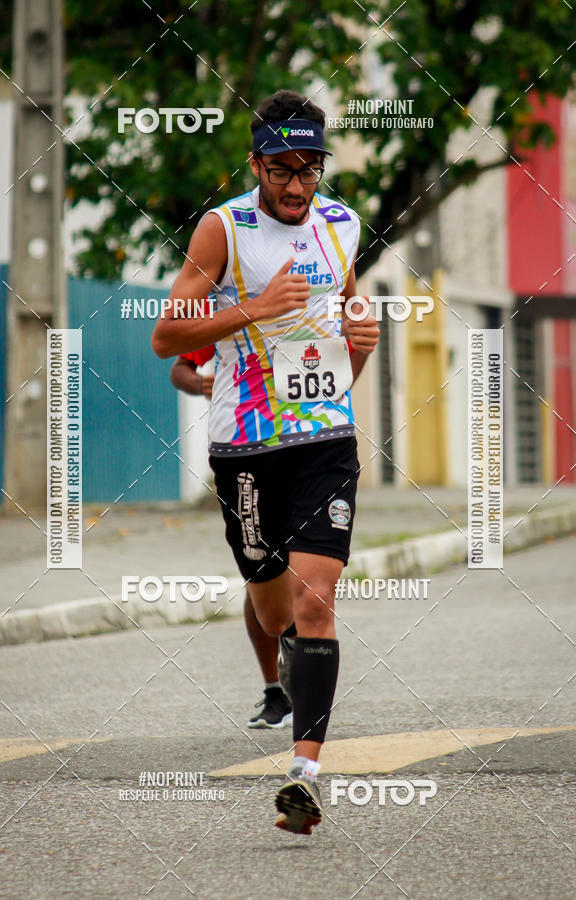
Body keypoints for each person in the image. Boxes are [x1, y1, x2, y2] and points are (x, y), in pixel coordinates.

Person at [152, 89, 379, 834]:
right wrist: (252, 309)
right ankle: (288, 661)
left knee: (317, 602)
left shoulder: (342, 226)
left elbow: (338, 331)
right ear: (255, 165)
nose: (295, 185)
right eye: (280, 169)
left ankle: (305, 775)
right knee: (273, 604)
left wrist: (360, 351)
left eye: (308, 169)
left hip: (325, 441)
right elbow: (166, 336)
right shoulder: (224, 231)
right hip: (245, 449)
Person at [170, 338, 368, 731]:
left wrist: (360, 347)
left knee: (312, 583)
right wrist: (202, 385)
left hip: (314, 450)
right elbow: (179, 367)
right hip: (248, 453)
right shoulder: (232, 304)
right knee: (263, 580)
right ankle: (275, 685)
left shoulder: (318, 300)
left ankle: (302, 681)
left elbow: (345, 365)